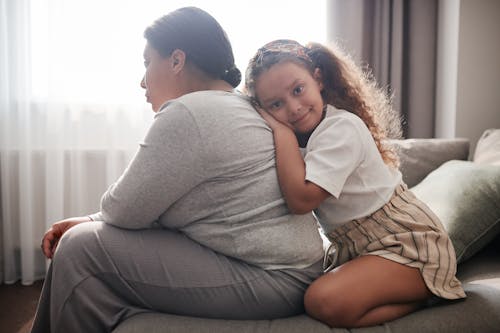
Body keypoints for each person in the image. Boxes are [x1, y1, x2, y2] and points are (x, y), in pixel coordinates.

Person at [31, 10, 325, 333]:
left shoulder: (190, 112)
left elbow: (123, 211)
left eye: (146, 63)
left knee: (78, 249)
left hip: (277, 277)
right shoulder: (241, 105)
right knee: (85, 244)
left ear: (176, 61)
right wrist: (91, 220)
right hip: (292, 269)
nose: (142, 81)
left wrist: (92, 222)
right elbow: (156, 206)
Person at [244, 39, 466, 328]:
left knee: (321, 300)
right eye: (276, 104)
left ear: (318, 78)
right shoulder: (302, 137)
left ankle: (429, 293)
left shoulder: (341, 128)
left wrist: (279, 131)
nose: (294, 108)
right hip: (361, 247)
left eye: (298, 90)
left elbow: (302, 200)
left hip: (408, 243)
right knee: (323, 301)